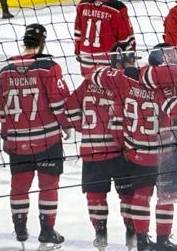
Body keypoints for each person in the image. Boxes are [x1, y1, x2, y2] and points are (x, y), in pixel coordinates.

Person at [92, 50, 177, 251]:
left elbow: (96, 76)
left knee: (141, 196)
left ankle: (141, 241)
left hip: (134, 151)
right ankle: (163, 240)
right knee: (166, 195)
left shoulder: (125, 79)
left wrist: (122, 71)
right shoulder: (163, 90)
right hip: (161, 153)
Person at [0, 24, 70, 249]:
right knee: (48, 185)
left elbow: (2, 110)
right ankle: (47, 231)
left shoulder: (5, 70)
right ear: (43, 43)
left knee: (19, 184)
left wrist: (7, 136)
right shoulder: (50, 68)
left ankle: (20, 229)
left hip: (17, 139)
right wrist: (67, 125)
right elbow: (59, 102)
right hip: (47, 138)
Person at [66, 59, 136, 250]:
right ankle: (132, 233)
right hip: (119, 150)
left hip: (92, 150)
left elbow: (70, 107)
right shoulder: (125, 82)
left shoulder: (89, 81)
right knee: (127, 194)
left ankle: (101, 234)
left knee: (95, 195)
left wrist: (84, 128)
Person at [74, 0, 135, 78]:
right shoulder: (117, 8)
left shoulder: (83, 4)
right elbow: (125, 38)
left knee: (92, 91)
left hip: (86, 59)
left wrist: (78, 53)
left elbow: (77, 34)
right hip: (109, 61)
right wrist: (129, 58)